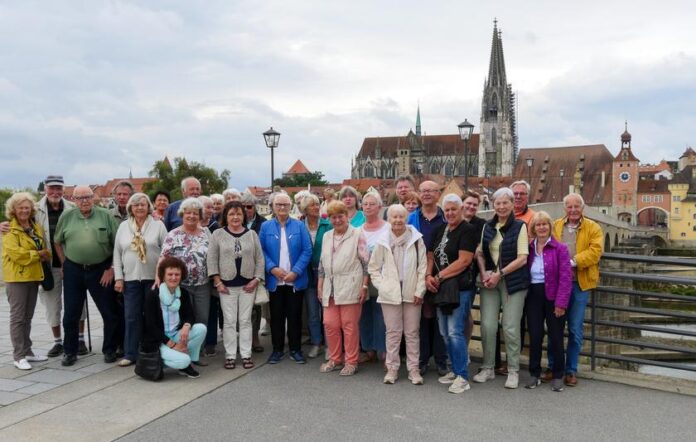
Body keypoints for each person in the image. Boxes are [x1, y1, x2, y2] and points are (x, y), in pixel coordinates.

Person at [54, 185, 123, 366]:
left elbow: (118, 244)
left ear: (93, 198)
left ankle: (109, 349)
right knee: (71, 314)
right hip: (74, 270)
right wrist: (64, 263)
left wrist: (112, 268)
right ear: (74, 200)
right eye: (80, 198)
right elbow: (57, 242)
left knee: (109, 312)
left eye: (87, 197)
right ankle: (70, 351)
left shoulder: (105, 215)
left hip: (101, 270)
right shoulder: (67, 216)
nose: (84, 201)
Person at [543, 193, 603, 387]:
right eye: (570, 206)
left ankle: (571, 370)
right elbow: (547, 246)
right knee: (555, 327)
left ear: (582, 208)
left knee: (575, 329)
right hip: (558, 284)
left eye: (577, 206)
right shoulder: (556, 225)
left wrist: (573, 261)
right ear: (564, 208)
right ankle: (553, 367)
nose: (573, 210)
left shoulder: (593, 227)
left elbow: (595, 252)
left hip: (580, 283)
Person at [473, 187, 529, 389]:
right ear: (493, 205)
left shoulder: (520, 226)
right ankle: (488, 367)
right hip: (489, 281)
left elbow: (523, 258)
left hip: (513, 282)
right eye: (498, 203)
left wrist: (499, 274)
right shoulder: (487, 226)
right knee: (488, 325)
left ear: (513, 204)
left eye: (506, 203)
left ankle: (513, 370)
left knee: (510, 326)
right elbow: (479, 252)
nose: (502, 206)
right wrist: (484, 272)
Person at [29, 175, 88, 357]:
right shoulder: (35, 209)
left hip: (73, 263)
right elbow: (19, 219)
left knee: (78, 302)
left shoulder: (72, 207)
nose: (55, 192)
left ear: (64, 190)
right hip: (48, 265)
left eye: (59, 188)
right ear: (45, 189)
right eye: (51, 188)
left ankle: (80, 339)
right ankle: (58, 342)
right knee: (51, 304)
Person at [425, 194, 478, 394]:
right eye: (446, 210)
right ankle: (454, 370)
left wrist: (439, 277)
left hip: (460, 288)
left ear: (461, 210)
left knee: (456, 331)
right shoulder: (440, 229)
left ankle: (463, 376)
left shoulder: (468, 230)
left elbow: (464, 261)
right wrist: (428, 276)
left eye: (453, 209)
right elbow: (431, 255)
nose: (449, 213)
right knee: (445, 332)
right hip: (441, 288)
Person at [369, 204, 426, 385]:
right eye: (394, 217)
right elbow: (373, 268)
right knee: (393, 333)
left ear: (406, 218)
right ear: (388, 219)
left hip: (412, 292)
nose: (398, 220)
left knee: (412, 333)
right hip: (390, 293)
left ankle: (413, 369)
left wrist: (420, 290)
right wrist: (383, 286)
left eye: (401, 216)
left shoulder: (417, 239)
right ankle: (392, 368)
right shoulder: (383, 241)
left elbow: (423, 267)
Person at [208, 201, 265, 369]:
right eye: (232, 214)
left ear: (244, 216)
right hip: (226, 286)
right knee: (230, 321)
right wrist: (217, 281)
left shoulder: (252, 234)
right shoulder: (217, 234)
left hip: (248, 285)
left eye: (239, 214)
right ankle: (230, 355)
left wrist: (256, 279)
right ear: (226, 215)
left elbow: (260, 259)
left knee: (246, 320)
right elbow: (211, 259)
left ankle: (246, 355)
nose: (235, 217)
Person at [113, 193, 167, 367]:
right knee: (131, 316)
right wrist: (119, 278)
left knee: (152, 316)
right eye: (135, 205)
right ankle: (131, 353)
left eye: (143, 204)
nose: (139, 208)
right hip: (130, 279)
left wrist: (163, 276)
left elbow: (166, 251)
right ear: (130, 208)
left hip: (153, 278)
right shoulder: (123, 227)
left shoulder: (158, 225)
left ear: (148, 206)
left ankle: (153, 350)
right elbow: (117, 253)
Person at [259, 193, 313, 364]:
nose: (282, 208)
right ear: (273, 206)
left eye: (285, 204)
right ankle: (277, 349)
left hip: (294, 280)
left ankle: (296, 349)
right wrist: (272, 268)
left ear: (291, 206)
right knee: (276, 317)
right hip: (275, 280)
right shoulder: (266, 227)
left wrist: (296, 271)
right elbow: (261, 251)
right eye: (278, 204)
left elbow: (307, 250)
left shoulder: (299, 226)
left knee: (295, 316)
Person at [318, 201, 369, 376]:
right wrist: (320, 286)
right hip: (329, 287)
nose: (337, 220)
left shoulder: (357, 234)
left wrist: (364, 286)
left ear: (347, 216)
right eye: (333, 217)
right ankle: (335, 358)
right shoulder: (327, 236)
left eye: (341, 216)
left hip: (351, 284)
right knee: (330, 324)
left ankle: (351, 361)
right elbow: (322, 265)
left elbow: (365, 263)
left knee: (349, 325)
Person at [159, 197, 210, 368]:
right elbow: (163, 259)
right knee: (183, 320)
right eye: (188, 213)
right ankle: (180, 351)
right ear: (182, 214)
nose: (192, 216)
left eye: (195, 213)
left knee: (202, 318)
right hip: (181, 285)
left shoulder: (206, 233)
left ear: (200, 216)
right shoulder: (173, 234)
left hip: (203, 284)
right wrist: (158, 280)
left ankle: (196, 354)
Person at [2, 192, 51, 370]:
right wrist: (38, 255)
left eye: (27, 207)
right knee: (18, 318)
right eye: (20, 207)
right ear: (13, 210)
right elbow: (17, 255)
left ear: (31, 209)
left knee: (28, 317)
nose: (24, 210)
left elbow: (44, 247)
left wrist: (44, 253)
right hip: (17, 278)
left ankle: (28, 351)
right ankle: (18, 355)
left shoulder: (35, 226)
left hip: (33, 276)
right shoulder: (8, 229)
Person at [525, 211, 571, 392]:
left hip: (553, 296)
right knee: (535, 336)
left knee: (556, 337)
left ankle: (558, 374)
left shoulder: (560, 249)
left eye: (545, 224)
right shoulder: (529, 248)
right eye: (538, 225)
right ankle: (534, 374)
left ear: (550, 227)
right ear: (534, 228)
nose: (542, 227)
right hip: (533, 296)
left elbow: (566, 278)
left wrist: (561, 303)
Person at [407, 180, 448, 376]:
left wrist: (435, 275)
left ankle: (441, 360)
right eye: (423, 191)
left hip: (442, 275)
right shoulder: (411, 218)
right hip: (416, 274)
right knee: (421, 319)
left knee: (440, 317)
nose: (426, 194)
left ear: (438, 194)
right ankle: (422, 360)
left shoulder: (446, 217)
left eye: (431, 191)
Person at [141, 257, 207, 378]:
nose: (173, 277)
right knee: (183, 360)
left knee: (201, 328)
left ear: (181, 276)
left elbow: (190, 315)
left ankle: (187, 363)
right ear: (163, 275)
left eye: (177, 274)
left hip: (176, 334)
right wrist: (172, 345)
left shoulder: (183, 293)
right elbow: (150, 326)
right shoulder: (153, 295)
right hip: (159, 341)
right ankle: (171, 360)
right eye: (170, 274)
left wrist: (187, 326)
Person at [359, 191, 390, 364]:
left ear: (379, 207)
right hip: (362, 279)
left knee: (381, 316)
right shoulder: (357, 230)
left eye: (372, 203)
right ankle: (368, 349)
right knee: (364, 315)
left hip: (382, 277)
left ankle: (383, 350)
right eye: (365, 204)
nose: (368, 207)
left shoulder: (387, 228)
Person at [301, 194, 332, 358]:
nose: (316, 207)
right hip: (307, 273)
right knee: (313, 312)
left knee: (327, 312)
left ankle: (329, 345)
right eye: (312, 205)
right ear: (305, 209)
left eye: (317, 204)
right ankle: (316, 343)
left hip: (325, 273)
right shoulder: (300, 226)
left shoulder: (327, 225)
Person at [241, 191, 267, 352]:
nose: (245, 210)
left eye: (249, 207)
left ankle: (255, 337)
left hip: (256, 270)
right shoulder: (234, 222)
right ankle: (243, 338)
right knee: (241, 308)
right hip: (237, 271)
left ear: (255, 207)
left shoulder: (263, 223)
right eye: (242, 207)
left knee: (255, 306)